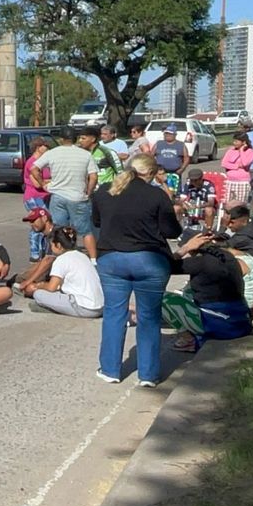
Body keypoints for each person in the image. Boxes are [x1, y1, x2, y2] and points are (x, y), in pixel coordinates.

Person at [91, 154, 182, 387]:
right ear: (150, 173)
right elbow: (172, 231)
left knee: (114, 313)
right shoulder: (156, 195)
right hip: (149, 260)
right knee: (149, 317)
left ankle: (110, 369)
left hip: (111, 258)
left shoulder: (105, 191)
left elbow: (97, 222)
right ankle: (148, 375)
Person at [163, 232, 253, 353]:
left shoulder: (201, 262)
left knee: (161, 297)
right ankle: (194, 331)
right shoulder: (229, 257)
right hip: (241, 321)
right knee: (188, 290)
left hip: (221, 325)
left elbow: (162, 267)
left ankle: (188, 339)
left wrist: (185, 248)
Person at [30, 127, 98, 260]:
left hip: (58, 196)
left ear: (61, 139)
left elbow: (34, 169)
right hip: (78, 197)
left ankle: (61, 258)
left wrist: (43, 184)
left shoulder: (52, 153)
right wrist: (88, 192)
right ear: (75, 139)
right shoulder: (85, 154)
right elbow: (94, 177)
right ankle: (93, 260)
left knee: (59, 230)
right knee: (86, 231)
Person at [23, 226, 104, 318]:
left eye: (52, 245)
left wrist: (38, 286)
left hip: (84, 308)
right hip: (100, 306)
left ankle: (51, 308)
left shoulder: (61, 259)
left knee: (38, 294)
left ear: (58, 245)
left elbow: (51, 287)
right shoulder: (82, 256)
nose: (51, 248)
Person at [6, 207, 57, 292]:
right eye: (30, 221)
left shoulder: (56, 234)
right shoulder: (45, 236)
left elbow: (48, 260)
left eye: (33, 220)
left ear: (44, 218)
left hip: (62, 273)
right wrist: (23, 276)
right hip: (53, 270)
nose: (31, 224)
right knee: (16, 281)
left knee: (30, 289)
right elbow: (43, 261)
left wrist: (28, 281)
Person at [23, 137, 52, 262]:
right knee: (37, 225)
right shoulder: (32, 163)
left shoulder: (44, 162)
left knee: (46, 224)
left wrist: (48, 181)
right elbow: (37, 184)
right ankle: (34, 253)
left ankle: (44, 251)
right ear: (38, 147)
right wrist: (52, 181)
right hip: (34, 198)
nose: (48, 148)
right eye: (45, 146)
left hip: (45, 197)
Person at [221, 132, 253, 205]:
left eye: (236, 141)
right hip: (230, 181)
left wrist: (241, 150)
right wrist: (237, 166)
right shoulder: (231, 151)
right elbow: (224, 163)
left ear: (244, 142)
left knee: (240, 204)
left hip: (242, 182)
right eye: (234, 141)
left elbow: (245, 163)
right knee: (227, 204)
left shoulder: (251, 152)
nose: (234, 143)